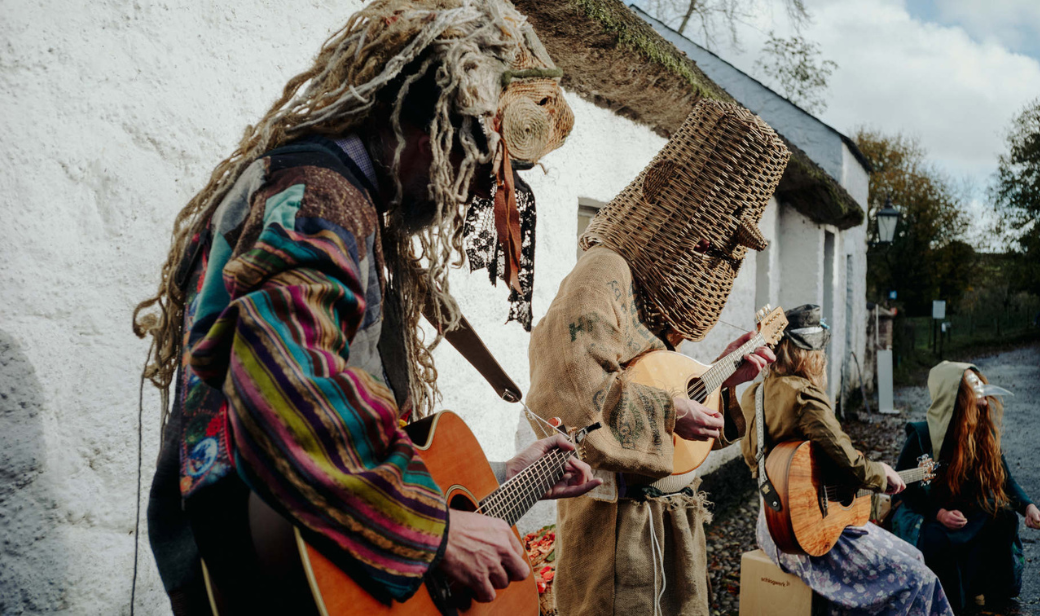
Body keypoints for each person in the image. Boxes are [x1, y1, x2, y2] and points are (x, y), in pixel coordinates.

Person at [134, 2, 598, 613]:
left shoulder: (337, 196)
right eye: (475, 161)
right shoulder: (321, 201)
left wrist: (500, 478)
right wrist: (431, 533)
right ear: (421, 117)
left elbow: (343, 420)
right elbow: (284, 391)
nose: (477, 191)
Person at [525, 100, 787, 615]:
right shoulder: (602, 276)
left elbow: (665, 399)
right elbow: (570, 403)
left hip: (671, 529)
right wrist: (672, 413)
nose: (717, 256)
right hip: (613, 543)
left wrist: (723, 381)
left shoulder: (649, 292)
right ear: (685, 215)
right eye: (713, 241)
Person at [741, 305, 953, 616]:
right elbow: (851, 464)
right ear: (811, 354)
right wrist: (881, 474)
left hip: (772, 528)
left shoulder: (755, 394)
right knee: (919, 577)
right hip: (812, 537)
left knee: (909, 560)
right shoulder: (805, 397)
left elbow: (763, 463)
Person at [889, 361, 1040, 612]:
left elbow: (1004, 478)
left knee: (1003, 516)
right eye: (974, 387)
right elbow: (903, 488)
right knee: (936, 540)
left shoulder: (984, 433)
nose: (984, 397)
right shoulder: (922, 436)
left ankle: (992, 595)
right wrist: (938, 513)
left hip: (970, 512)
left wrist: (1028, 506)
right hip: (931, 516)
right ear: (956, 396)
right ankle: (951, 602)